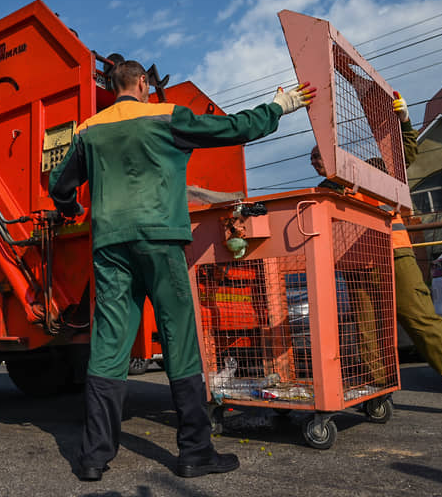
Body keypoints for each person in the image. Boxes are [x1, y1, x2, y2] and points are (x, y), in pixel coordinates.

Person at [48, 60, 315, 481]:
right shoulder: (165, 116)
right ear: (141, 83)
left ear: (113, 86)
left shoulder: (88, 130)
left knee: (108, 343)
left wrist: (72, 209)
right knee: (179, 337)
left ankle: (94, 457)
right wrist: (279, 106)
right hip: (159, 238)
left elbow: (58, 187)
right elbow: (232, 130)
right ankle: (195, 451)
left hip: (110, 246)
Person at [310, 92, 442, 421]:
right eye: (315, 161)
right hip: (356, 265)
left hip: (393, 253)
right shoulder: (324, 191)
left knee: (420, 321)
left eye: (322, 156)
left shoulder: (370, 169)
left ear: (337, 154)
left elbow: (404, 156)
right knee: (367, 330)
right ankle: (378, 392)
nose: (319, 163)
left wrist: (403, 121)